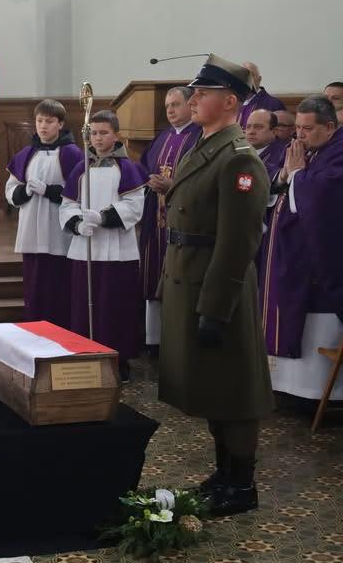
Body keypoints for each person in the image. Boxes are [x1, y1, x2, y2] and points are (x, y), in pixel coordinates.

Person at [159, 54, 272, 517]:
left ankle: (241, 484)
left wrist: (215, 306)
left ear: (229, 102)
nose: (193, 99)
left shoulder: (238, 159)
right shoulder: (203, 145)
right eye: (195, 92)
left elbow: (237, 241)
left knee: (234, 390)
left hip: (218, 289)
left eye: (203, 93)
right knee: (211, 385)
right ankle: (223, 473)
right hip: (191, 279)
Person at [260, 95, 343, 401]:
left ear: (330, 127)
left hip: (319, 262)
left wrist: (297, 175)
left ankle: (315, 393)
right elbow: (281, 177)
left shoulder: (338, 152)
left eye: (307, 129)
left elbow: (324, 195)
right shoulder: (309, 149)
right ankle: (288, 389)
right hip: (293, 253)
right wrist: (286, 175)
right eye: (297, 128)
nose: (299, 135)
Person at [60, 111, 147, 382]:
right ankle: (85, 355)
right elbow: (67, 204)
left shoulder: (127, 168)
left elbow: (135, 206)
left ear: (116, 135)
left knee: (115, 305)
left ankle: (118, 360)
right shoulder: (81, 168)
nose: (98, 138)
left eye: (104, 133)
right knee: (84, 305)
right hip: (85, 248)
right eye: (94, 133)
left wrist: (103, 217)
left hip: (117, 250)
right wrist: (77, 223)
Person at [5, 99, 82, 328]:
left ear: (60, 124)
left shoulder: (72, 154)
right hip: (31, 230)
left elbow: (79, 190)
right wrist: (24, 191)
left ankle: (61, 332)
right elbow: (10, 189)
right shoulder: (26, 154)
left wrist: (49, 191)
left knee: (58, 287)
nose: (43, 126)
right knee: (34, 287)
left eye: (49, 121)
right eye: (39, 121)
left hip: (57, 231)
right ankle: (34, 330)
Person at [137, 87, 201, 353]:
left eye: (175, 104)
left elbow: (203, 183)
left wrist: (172, 186)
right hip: (155, 220)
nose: (170, 110)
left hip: (184, 222)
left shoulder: (200, 137)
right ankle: (153, 339)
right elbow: (142, 169)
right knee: (153, 274)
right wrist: (148, 182)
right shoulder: (162, 137)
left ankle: (178, 339)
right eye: (167, 106)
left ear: (191, 104)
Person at [238, 61, 285, 129]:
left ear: (259, 79)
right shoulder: (233, 104)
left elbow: (280, 133)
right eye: (243, 75)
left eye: (251, 75)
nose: (247, 78)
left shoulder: (274, 104)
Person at [244, 109, 286, 179]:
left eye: (258, 127)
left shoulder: (284, 154)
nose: (251, 132)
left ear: (274, 132)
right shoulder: (238, 151)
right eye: (248, 127)